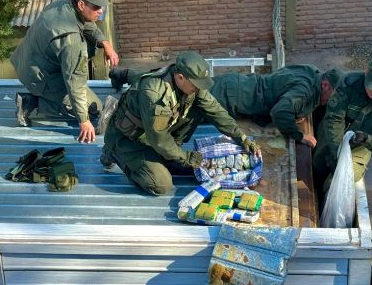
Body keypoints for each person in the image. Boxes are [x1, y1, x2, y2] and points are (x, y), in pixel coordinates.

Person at [101, 51, 261, 195]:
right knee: (161, 185)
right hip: (129, 140)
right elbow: (160, 139)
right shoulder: (154, 96)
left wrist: (242, 137)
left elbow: (215, 111)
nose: (199, 89)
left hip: (154, 134)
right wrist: (185, 157)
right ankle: (112, 153)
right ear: (180, 78)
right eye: (196, 85)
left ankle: (169, 156)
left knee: (199, 107)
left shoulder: (190, 85)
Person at [110, 65, 341, 148]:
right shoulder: (306, 90)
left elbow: (283, 90)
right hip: (231, 97)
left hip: (237, 84)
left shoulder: (310, 71)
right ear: (325, 84)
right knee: (184, 106)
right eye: (333, 94)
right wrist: (297, 135)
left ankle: (126, 74)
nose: (334, 99)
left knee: (172, 81)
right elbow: (280, 112)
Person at [10, 0, 119, 143]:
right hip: (39, 77)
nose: (101, 11)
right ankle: (30, 103)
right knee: (94, 108)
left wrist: (105, 43)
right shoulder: (71, 42)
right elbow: (74, 84)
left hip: (27, 63)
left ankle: (38, 98)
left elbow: (87, 24)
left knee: (86, 100)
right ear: (81, 4)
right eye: (96, 7)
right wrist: (84, 120)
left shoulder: (63, 5)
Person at [313, 54, 372, 194]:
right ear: (366, 72)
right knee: (315, 170)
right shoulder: (349, 83)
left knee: (337, 183)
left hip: (359, 148)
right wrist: (337, 151)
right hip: (332, 137)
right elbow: (334, 118)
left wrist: (367, 139)